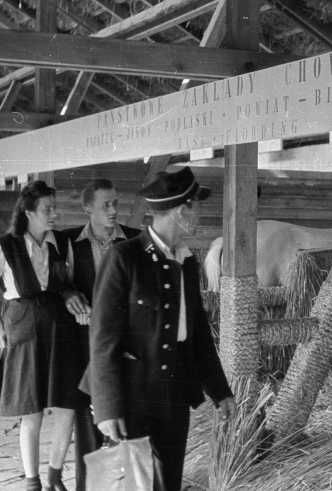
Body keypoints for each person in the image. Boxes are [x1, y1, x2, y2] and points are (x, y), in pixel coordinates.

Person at [86, 166, 236, 491]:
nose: (200, 213)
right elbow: (103, 337)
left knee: (168, 483)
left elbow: (197, 335)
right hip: (131, 393)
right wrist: (108, 406)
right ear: (183, 210)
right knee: (128, 485)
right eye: (198, 205)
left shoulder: (187, 261)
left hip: (174, 391)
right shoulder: (124, 257)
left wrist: (220, 391)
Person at [0, 180, 89, 491]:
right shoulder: (5, 246)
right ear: (28, 212)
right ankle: (32, 482)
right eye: (47, 210)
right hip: (24, 329)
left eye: (54, 208)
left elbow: (66, 281)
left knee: (66, 407)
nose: (54, 214)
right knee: (32, 411)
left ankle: (55, 475)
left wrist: (70, 295)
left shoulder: (60, 243)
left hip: (59, 330)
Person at [62, 179, 141, 491]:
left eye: (115, 204)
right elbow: (60, 283)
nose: (112, 210)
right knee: (89, 429)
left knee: (129, 427)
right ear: (87, 208)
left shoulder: (136, 240)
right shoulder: (69, 242)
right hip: (87, 349)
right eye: (105, 205)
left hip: (127, 347)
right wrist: (69, 294)